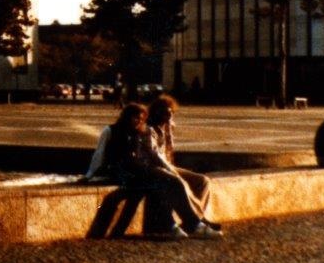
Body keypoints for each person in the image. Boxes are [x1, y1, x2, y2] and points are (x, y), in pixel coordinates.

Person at [84, 103, 222, 240]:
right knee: (169, 181)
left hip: (140, 171)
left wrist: (169, 170)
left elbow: (152, 155)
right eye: (135, 118)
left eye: (141, 118)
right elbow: (99, 153)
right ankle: (192, 224)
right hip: (121, 172)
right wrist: (90, 175)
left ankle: (188, 223)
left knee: (170, 181)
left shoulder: (144, 131)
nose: (138, 121)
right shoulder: (111, 130)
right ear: (126, 117)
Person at [146, 95, 221, 230]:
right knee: (182, 182)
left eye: (172, 113)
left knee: (203, 181)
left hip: (168, 166)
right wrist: (173, 171)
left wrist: (169, 130)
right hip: (156, 168)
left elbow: (169, 152)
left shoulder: (167, 127)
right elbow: (155, 157)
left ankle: (197, 218)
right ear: (157, 112)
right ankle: (197, 220)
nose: (170, 116)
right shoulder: (149, 129)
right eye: (167, 113)